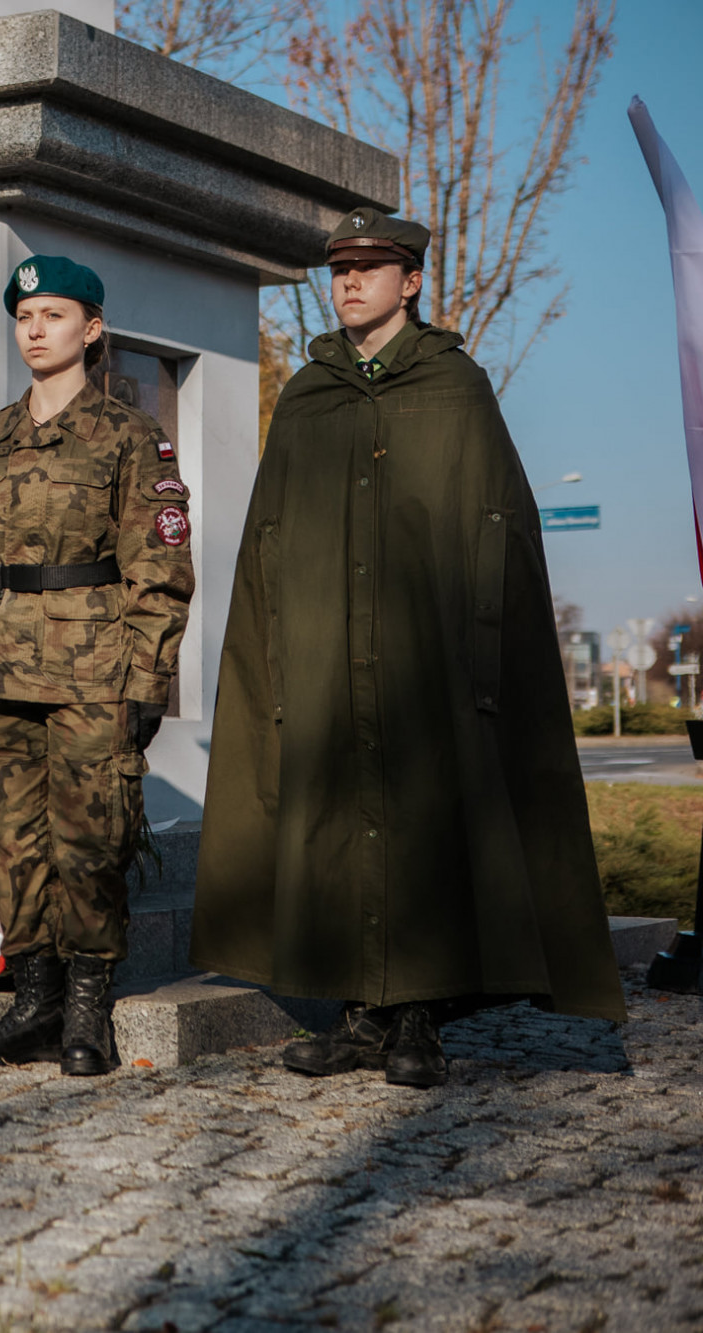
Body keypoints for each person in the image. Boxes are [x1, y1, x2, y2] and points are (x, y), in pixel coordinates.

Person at [192, 206, 627, 1089]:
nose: (351, 281)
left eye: (372, 266)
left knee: (423, 817)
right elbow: (269, 535)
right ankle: (357, 1014)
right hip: (322, 647)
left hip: (427, 655)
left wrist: (479, 649)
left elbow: (498, 527)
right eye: (339, 268)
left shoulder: (455, 388)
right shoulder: (309, 395)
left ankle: (420, 1016)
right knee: (335, 815)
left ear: (412, 280)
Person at [0, 256, 193, 1076]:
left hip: (95, 668)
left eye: (54, 315)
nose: (37, 330)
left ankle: (90, 1008)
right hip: (2, 669)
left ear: (91, 329)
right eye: (25, 317)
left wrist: (146, 680)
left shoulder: (129, 437)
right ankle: (37, 1000)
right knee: (13, 840)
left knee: (92, 839)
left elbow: (159, 574)